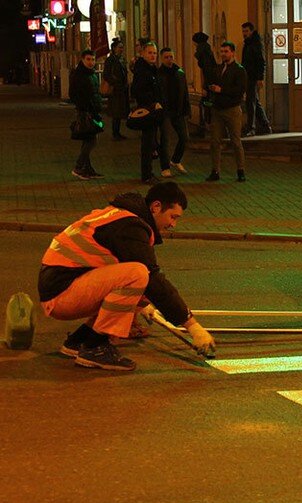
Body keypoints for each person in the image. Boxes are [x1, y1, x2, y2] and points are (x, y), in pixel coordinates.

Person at [37, 182, 216, 371]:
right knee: (139, 274)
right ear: (156, 207)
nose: (173, 224)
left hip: (60, 288)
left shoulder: (120, 216)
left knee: (142, 284)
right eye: (173, 217)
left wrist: (140, 302)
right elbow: (151, 277)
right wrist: (193, 327)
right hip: (62, 295)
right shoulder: (130, 226)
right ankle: (96, 348)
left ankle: (78, 341)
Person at [206, 41, 247, 183]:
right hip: (217, 109)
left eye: (226, 51)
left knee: (235, 141)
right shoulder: (218, 68)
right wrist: (211, 88)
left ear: (233, 53)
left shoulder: (239, 70)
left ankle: (241, 170)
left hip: (232, 109)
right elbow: (212, 82)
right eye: (221, 52)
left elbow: (240, 90)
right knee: (215, 141)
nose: (223, 54)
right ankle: (215, 170)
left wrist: (221, 90)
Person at [130, 41, 168, 184]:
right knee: (148, 143)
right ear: (143, 53)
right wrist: (152, 102)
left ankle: (148, 172)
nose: (153, 56)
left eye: (154, 53)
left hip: (154, 111)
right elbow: (137, 91)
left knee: (151, 142)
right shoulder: (142, 70)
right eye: (150, 53)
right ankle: (146, 174)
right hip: (148, 111)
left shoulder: (152, 69)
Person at [68, 49, 103, 180]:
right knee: (91, 140)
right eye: (88, 59)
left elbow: (95, 93)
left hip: (92, 110)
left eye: (93, 59)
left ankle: (87, 169)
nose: (91, 62)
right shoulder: (79, 75)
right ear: (82, 60)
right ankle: (78, 167)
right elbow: (76, 95)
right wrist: (86, 109)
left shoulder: (91, 74)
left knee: (87, 139)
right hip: (86, 112)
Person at [158, 47, 190, 176]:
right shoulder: (159, 74)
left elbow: (185, 92)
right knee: (165, 139)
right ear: (162, 58)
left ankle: (176, 159)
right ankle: (165, 167)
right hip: (164, 111)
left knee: (184, 137)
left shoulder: (179, 72)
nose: (169, 59)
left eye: (171, 56)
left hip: (178, 110)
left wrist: (186, 108)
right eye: (166, 57)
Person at [240, 22, 271, 136]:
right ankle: (265, 125)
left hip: (253, 76)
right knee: (254, 101)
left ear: (252, 31)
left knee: (250, 102)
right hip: (248, 75)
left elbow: (261, 61)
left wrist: (260, 78)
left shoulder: (256, 43)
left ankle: (251, 128)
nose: (244, 34)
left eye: (246, 31)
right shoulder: (248, 43)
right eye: (243, 31)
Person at [103, 39, 130, 140]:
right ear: (114, 48)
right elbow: (106, 74)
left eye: (122, 47)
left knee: (119, 111)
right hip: (115, 90)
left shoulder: (121, 59)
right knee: (116, 112)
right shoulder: (111, 60)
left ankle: (117, 132)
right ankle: (115, 133)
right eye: (120, 47)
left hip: (121, 89)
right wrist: (114, 81)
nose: (121, 49)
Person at [192, 32, 217, 137]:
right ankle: (205, 128)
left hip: (209, 85)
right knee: (205, 105)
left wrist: (206, 87)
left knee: (206, 105)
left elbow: (207, 71)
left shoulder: (204, 53)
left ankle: (206, 129)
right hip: (210, 84)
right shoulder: (206, 51)